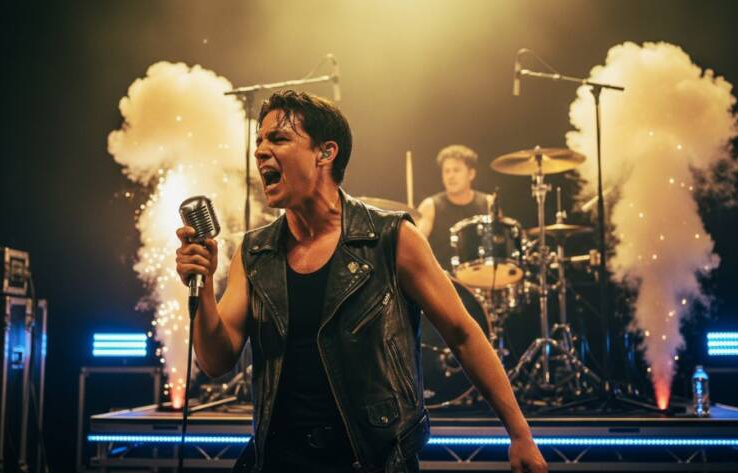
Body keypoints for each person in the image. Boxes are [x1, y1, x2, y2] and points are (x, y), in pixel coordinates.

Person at [175, 91, 546, 473]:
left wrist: (519, 433)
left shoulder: (392, 239)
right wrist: (201, 287)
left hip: (372, 460)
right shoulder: (255, 252)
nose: (260, 152)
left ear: (325, 152)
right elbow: (216, 360)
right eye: (259, 141)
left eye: (279, 139)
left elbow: (463, 334)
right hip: (278, 460)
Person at [416, 145, 496, 271]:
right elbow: (415, 248)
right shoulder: (430, 206)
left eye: (456, 170)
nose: (450, 176)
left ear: (471, 174)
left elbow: (499, 245)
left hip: (482, 278)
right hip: (442, 281)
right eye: (446, 171)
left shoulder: (488, 202)